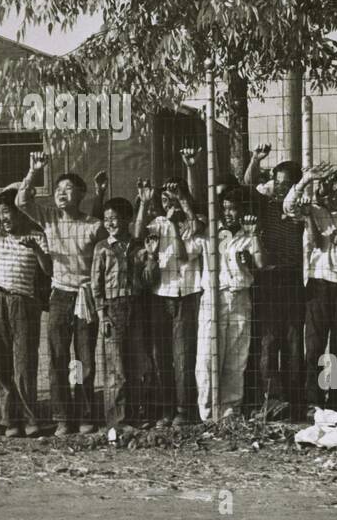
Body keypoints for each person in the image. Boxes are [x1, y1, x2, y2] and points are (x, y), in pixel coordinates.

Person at [17, 152, 105, 435]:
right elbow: (22, 201)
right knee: (57, 359)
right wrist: (34, 172)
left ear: (81, 194)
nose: (61, 194)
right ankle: (62, 418)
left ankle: (84, 415)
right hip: (59, 298)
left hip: (84, 300)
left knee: (82, 361)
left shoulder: (93, 226)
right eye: (57, 190)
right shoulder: (50, 219)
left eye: (68, 189)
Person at [243, 146, 312, 417]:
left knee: (294, 340)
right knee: (269, 340)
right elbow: (248, 185)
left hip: (292, 276)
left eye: (287, 184)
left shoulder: (298, 209)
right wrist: (255, 160)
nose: (282, 189)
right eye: (278, 183)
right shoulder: (265, 205)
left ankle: (295, 400)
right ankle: (273, 398)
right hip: (269, 277)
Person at [289, 168, 337, 414]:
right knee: (314, 344)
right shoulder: (318, 213)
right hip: (318, 284)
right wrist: (306, 179)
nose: (334, 197)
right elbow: (289, 207)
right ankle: (314, 400)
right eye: (330, 191)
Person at [191, 189, 264, 422]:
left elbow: (261, 264)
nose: (229, 213)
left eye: (233, 208)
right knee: (207, 356)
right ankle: (207, 412)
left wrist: (254, 239)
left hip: (240, 297)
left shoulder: (248, 235)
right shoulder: (210, 234)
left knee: (236, 355)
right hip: (215, 297)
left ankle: (230, 410)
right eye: (225, 208)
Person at [0, 189, 51, 436]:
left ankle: (29, 419)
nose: (3, 217)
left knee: (23, 362)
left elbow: (49, 270)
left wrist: (36, 249)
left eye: (7, 212)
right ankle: (9, 420)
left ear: (19, 212)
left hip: (24, 303)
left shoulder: (37, 234)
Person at [132, 179, 198, 427]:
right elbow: (138, 234)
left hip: (186, 295)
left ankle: (184, 409)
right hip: (161, 296)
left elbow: (184, 251)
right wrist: (145, 202)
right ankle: (166, 409)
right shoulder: (157, 224)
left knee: (183, 357)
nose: (167, 204)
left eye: (173, 198)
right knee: (162, 356)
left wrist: (178, 211)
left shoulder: (190, 223)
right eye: (163, 200)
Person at [91, 196, 145, 431]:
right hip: (113, 308)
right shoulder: (102, 248)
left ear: (127, 219)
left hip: (136, 305)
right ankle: (116, 420)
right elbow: (96, 284)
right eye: (106, 219)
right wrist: (102, 314)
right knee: (116, 367)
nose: (110, 223)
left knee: (135, 364)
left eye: (115, 218)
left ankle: (134, 415)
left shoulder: (136, 245)